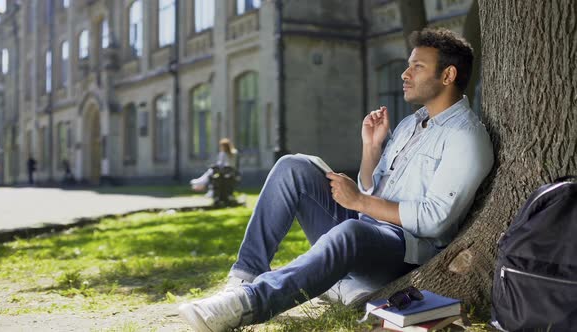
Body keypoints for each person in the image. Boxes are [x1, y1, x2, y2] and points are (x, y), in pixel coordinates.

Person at [178, 28, 494, 331]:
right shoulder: (411, 124)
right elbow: (373, 187)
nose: (404, 73)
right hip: (364, 227)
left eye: (417, 66)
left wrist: (360, 201)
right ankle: (244, 278)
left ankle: (247, 304)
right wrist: (371, 148)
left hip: (406, 251)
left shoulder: (465, 137)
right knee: (293, 167)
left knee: (353, 230)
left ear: (448, 75)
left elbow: (434, 220)